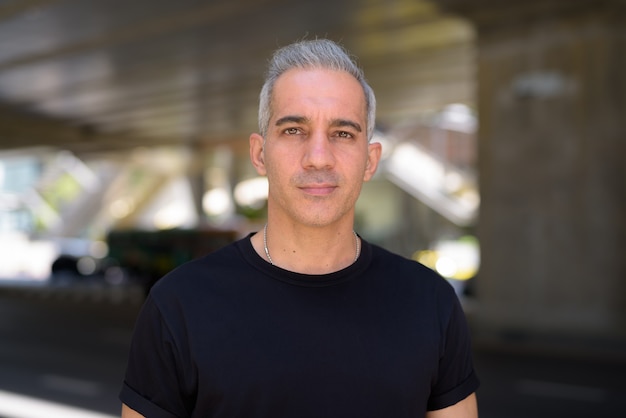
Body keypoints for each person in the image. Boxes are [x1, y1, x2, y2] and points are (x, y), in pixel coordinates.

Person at [120, 38, 479, 418]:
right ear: (260, 154)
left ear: (370, 160)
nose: (318, 157)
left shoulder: (430, 303)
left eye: (343, 133)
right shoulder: (178, 305)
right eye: (294, 130)